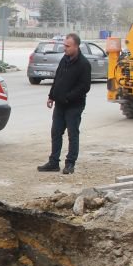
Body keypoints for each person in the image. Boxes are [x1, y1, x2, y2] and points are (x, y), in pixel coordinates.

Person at [37, 33, 92, 174]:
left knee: (72, 134)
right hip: (60, 104)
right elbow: (58, 78)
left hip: (74, 105)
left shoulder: (84, 64)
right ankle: (53, 162)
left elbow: (84, 87)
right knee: (55, 133)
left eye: (68, 46)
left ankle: (70, 163)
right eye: (64, 45)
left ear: (76, 46)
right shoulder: (64, 59)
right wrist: (51, 96)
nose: (65, 48)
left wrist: (68, 97)